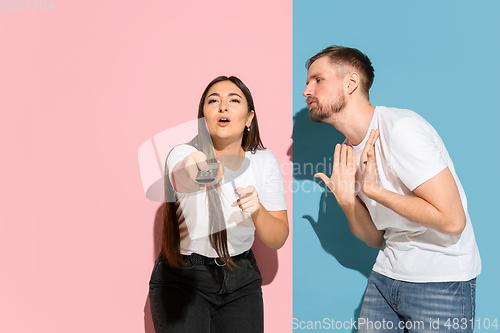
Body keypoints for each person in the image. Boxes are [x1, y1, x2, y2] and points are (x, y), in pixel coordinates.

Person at [303, 46, 480, 332]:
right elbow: (375, 238)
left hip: (441, 280)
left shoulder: (401, 130)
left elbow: (452, 220)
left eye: (317, 80)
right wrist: (349, 203)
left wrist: (374, 191)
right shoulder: (349, 150)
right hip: (386, 276)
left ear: (350, 83)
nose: (306, 91)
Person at [149, 76, 289, 333]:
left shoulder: (264, 161)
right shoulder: (183, 152)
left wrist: (257, 210)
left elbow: (277, 238)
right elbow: (184, 175)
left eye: (234, 100)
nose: (223, 107)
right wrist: (203, 171)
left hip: (242, 278)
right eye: (213, 101)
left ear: (249, 118)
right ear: (203, 116)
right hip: (184, 278)